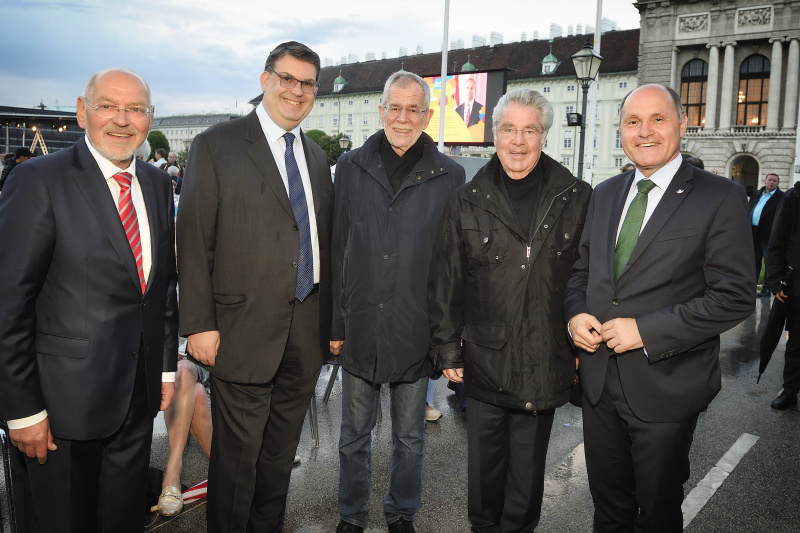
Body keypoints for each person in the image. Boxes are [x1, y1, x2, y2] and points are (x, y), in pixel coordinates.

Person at [563, 84, 755, 532]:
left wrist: (646, 331)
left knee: (658, 514)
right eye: (633, 122)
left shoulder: (719, 196)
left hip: (666, 387)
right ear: (620, 130)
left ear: (682, 125)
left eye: (658, 119)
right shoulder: (606, 193)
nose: (644, 132)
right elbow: (580, 272)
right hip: (597, 383)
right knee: (608, 510)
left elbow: (735, 296)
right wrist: (574, 314)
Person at [0, 68, 178, 533]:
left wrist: (163, 371)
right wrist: (22, 410)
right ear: (82, 112)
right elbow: (8, 304)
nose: (123, 120)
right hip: (59, 415)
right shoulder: (38, 181)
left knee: (122, 520)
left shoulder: (158, 186)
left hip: (137, 403)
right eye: (108, 106)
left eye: (136, 109)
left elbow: (160, 291)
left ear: (150, 119)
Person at [176, 40, 333, 533]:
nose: (297, 90)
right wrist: (199, 324)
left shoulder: (314, 156)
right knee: (236, 463)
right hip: (239, 333)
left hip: (304, 336)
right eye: (287, 78)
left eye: (307, 83)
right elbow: (194, 237)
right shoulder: (218, 144)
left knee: (277, 463)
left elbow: (316, 241)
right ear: (265, 80)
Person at [429, 88, 591, 532]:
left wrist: (581, 344)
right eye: (508, 130)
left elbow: (588, 278)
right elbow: (446, 281)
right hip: (484, 362)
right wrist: (448, 350)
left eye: (529, 130)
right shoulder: (467, 199)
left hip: (545, 358)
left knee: (525, 484)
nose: (517, 142)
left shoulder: (576, 197)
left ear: (544, 135)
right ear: (494, 133)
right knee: (485, 483)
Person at [330, 70, 465, 533]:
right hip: (361, 325)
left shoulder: (451, 175)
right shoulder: (350, 166)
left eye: (414, 109)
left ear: (427, 115)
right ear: (381, 109)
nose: (403, 117)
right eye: (395, 107)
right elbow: (336, 248)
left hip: (415, 330)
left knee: (409, 437)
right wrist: (335, 325)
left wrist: (445, 340)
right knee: (353, 437)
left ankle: (402, 512)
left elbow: (452, 267)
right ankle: (351, 515)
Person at [157, 355, 213, 516]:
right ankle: (222, 470)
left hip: (217, 361)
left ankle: (172, 476)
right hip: (182, 360)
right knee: (194, 389)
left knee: (183, 371)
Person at [765, 178, 800, 410]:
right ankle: (789, 392)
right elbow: (776, 241)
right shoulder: (794, 198)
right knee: (797, 344)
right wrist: (776, 281)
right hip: (798, 287)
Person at [750, 173, 784, 296]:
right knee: (754, 261)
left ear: (778, 183)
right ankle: (751, 287)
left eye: (774, 181)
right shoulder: (757, 194)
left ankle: (767, 288)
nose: (771, 182)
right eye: (769, 180)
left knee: (769, 263)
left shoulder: (781, 197)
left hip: (768, 234)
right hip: (753, 232)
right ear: (765, 181)